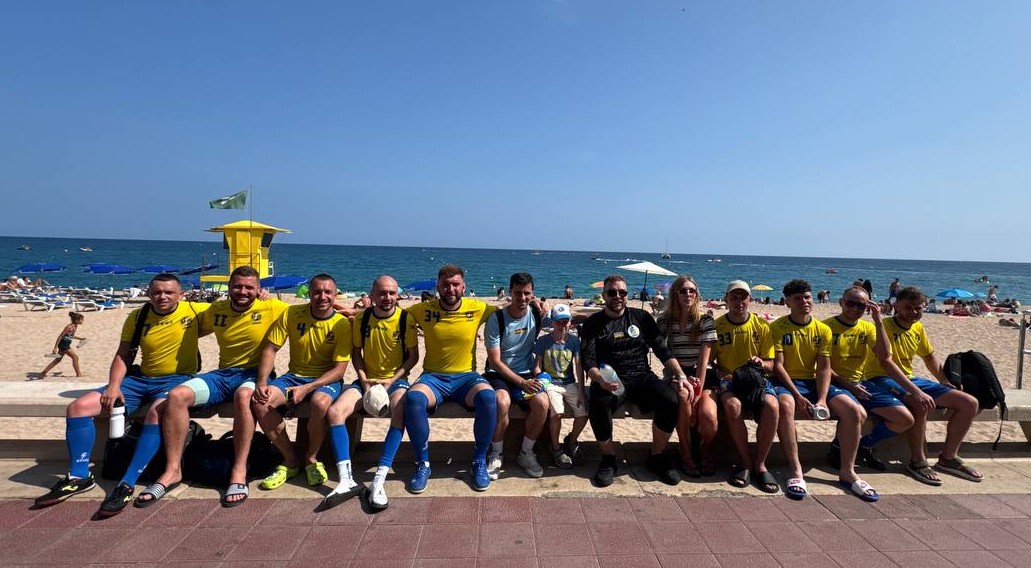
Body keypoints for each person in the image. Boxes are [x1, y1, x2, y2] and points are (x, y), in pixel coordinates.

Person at [34, 274, 207, 517]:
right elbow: (124, 354)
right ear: (149, 294)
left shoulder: (196, 311)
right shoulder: (138, 316)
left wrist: (259, 295)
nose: (162, 296)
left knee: (155, 414)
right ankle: (79, 476)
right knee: (78, 408)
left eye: (169, 292)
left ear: (181, 294)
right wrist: (114, 386)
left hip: (177, 379)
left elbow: (235, 310)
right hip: (139, 379)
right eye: (157, 292)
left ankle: (127, 482)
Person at [136, 266, 288, 508]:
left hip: (255, 374)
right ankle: (173, 470)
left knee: (244, 396)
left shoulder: (273, 307)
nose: (243, 291)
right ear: (229, 287)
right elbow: (182, 319)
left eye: (249, 287)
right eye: (237, 286)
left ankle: (239, 470)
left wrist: (351, 309)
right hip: (222, 374)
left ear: (259, 289)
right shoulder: (216, 309)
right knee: (177, 395)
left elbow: (312, 310)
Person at [865, 286, 983, 485]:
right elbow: (886, 363)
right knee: (920, 403)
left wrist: (943, 380)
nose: (913, 312)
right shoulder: (884, 327)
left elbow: (929, 357)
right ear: (896, 306)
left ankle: (948, 457)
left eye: (918, 308)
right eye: (908, 308)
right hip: (880, 378)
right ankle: (917, 461)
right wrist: (916, 391)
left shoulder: (917, 328)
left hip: (909, 378)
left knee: (969, 403)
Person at [580, 274, 689, 487]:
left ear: (627, 295)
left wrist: (681, 375)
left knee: (670, 400)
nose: (617, 296)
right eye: (612, 292)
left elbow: (662, 350)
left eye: (622, 292)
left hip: (641, 375)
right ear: (604, 295)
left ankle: (656, 456)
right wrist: (600, 380)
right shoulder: (593, 323)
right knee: (599, 403)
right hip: (609, 377)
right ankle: (608, 459)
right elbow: (588, 361)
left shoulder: (641, 317)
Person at [322, 275, 418, 511]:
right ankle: (346, 479)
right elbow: (356, 353)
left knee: (400, 411)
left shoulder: (405, 319)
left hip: (396, 381)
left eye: (392, 293)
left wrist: (390, 381)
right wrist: (365, 381)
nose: (387, 298)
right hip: (365, 380)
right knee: (335, 412)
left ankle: (379, 479)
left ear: (397, 295)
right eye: (382, 293)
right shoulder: (362, 318)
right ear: (372, 295)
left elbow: (412, 357)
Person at [250, 274, 352, 492]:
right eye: (317, 292)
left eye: (328, 292)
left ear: (335, 295)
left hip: (325, 379)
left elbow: (339, 370)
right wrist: (262, 382)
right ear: (309, 293)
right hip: (294, 376)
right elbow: (271, 348)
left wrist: (306, 389)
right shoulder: (292, 313)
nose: (322, 297)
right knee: (260, 402)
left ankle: (311, 458)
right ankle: (290, 459)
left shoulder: (341, 324)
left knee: (320, 403)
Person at [770, 279, 868, 500]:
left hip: (813, 381)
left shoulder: (822, 329)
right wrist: (798, 396)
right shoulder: (777, 328)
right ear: (787, 302)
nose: (804, 302)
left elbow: (823, 367)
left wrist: (822, 399)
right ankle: (796, 469)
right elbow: (778, 366)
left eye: (807, 297)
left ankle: (848, 471)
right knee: (786, 406)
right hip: (786, 381)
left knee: (853, 411)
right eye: (797, 298)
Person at [404, 264, 498, 493]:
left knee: (488, 397)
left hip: (466, 377)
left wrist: (537, 307)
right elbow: (393, 315)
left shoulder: (478, 308)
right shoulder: (421, 310)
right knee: (414, 399)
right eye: (445, 285)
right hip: (433, 377)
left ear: (464, 287)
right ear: (438, 287)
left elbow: (508, 312)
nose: (450, 289)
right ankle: (423, 463)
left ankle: (479, 460)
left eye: (455, 284)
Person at [823, 287, 921, 501]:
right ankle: (844, 460)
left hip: (862, 383)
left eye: (861, 306)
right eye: (850, 303)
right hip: (835, 383)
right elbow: (822, 367)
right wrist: (850, 386)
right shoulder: (826, 327)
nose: (855, 309)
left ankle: (864, 445)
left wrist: (878, 320)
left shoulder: (867, 327)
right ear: (841, 302)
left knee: (904, 419)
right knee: (856, 413)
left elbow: (885, 356)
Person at [712, 281, 780, 493]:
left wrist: (761, 362)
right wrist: (721, 374)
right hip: (730, 379)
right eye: (734, 297)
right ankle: (745, 461)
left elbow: (771, 364)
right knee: (733, 406)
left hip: (756, 380)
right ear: (726, 299)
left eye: (743, 297)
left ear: (750, 299)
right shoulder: (717, 326)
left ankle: (760, 463)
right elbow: (710, 361)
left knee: (772, 406)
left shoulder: (761, 326)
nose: (739, 301)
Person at [482, 273, 550, 479]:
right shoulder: (497, 319)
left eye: (527, 293)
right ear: (510, 292)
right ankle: (496, 453)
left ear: (532, 293)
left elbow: (562, 321)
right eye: (517, 293)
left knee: (542, 403)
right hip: (499, 372)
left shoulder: (536, 313)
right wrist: (522, 383)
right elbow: (495, 361)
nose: (522, 298)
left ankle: (526, 452)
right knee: (501, 402)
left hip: (526, 371)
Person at [656, 275, 718, 477]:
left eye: (692, 290)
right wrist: (681, 376)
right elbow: (664, 355)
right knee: (683, 397)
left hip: (702, 373)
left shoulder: (705, 320)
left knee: (708, 416)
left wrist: (697, 392)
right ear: (675, 294)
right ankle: (685, 450)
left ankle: (705, 448)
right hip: (676, 373)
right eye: (683, 290)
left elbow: (704, 360)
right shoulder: (664, 322)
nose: (688, 294)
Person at [533, 303, 588, 468]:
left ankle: (571, 441)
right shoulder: (543, 341)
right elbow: (537, 366)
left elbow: (578, 366)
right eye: (558, 321)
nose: (562, 325)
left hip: (569, 383)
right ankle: (556, 447)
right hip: (551, 383)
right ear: (552, 322)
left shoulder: (574, 341)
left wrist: (581, 391)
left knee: (583, 413)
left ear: (570, 322)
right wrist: (540, 379)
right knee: (557, 412)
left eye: (565, 321)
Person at [39, 312, 86, 379]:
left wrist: (81, 338)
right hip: (64, 345)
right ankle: (78, 374)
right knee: (75, 358)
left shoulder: (75, 326)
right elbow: (60, 336)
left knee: (57, 360)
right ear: (76, 320)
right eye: (81, 319)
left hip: (66, 344)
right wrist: (55, 347)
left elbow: (71, 335)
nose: (82, 321)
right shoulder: (69, 327)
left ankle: (43, 373)